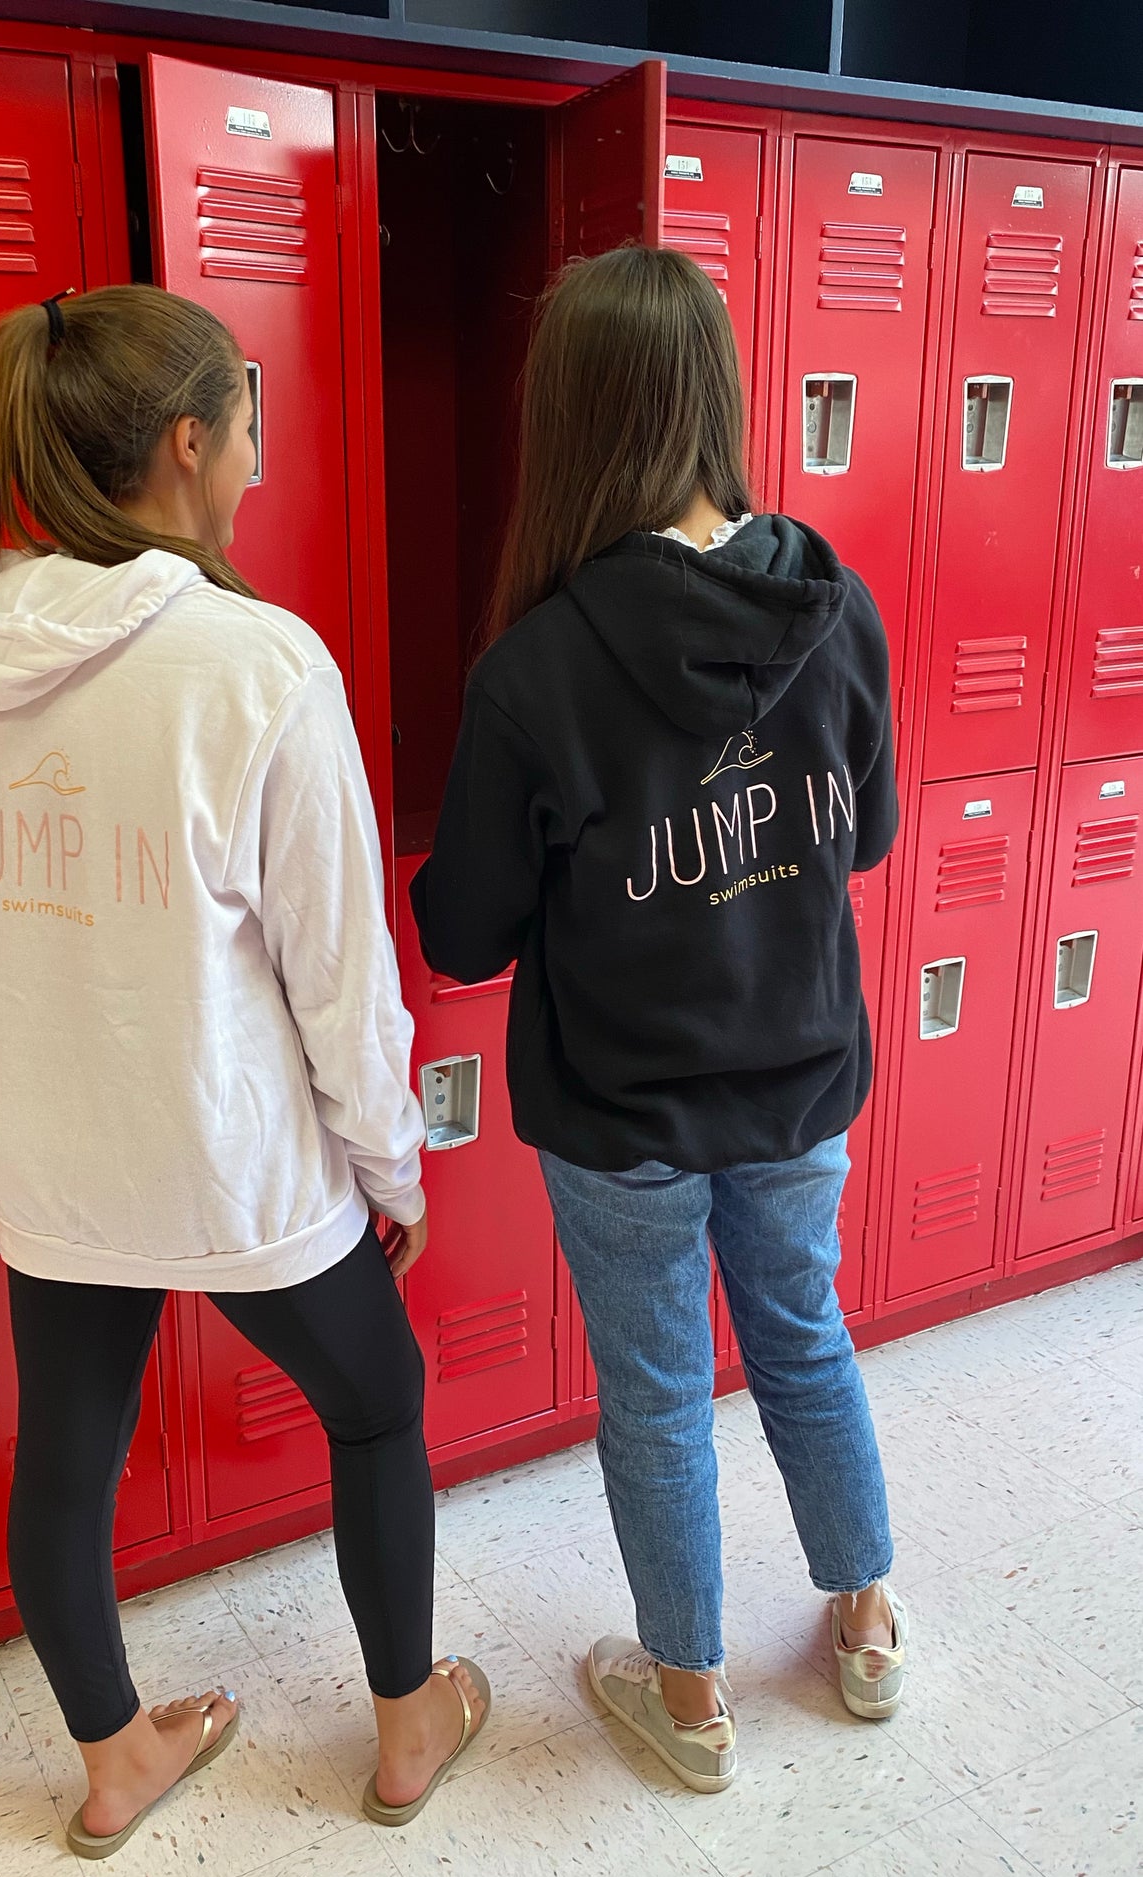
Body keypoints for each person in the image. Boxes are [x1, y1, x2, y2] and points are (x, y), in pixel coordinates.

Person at [0, 284, 488, 1857]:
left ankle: (111, 1761)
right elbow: (341, 973)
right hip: (233, 1163)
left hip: (48, 1150)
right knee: (375, 1407)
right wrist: (393, 1166)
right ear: (186, 442)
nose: (254, 453)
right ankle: (404, 1728)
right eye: (244, 422)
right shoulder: (258, 666)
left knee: (67, 1452)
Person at [411, 244, 905, 1794]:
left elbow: (466, 933)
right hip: (803, 1078)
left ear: (569, 421)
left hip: (621, 1113)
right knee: (805, 1338)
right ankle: (869, 1630)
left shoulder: (536, 666)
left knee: (656, 1390)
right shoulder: (835, 602)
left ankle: (685, 1703)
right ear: (718, 395)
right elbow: (867, 834)